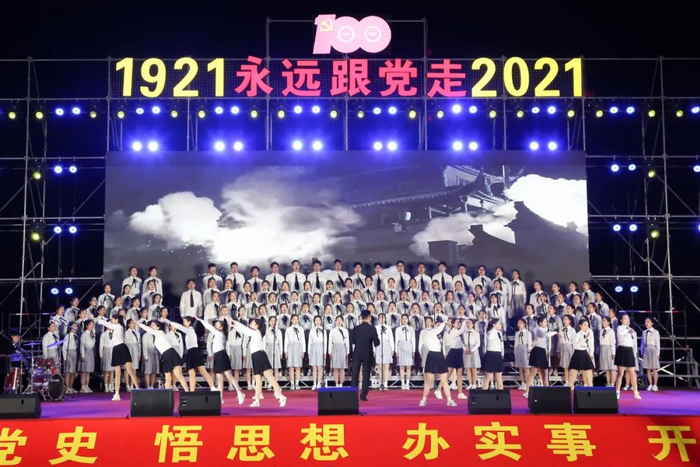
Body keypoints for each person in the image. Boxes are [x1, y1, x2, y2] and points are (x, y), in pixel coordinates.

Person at [231, 318, 287, 407]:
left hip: (260, 355)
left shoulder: (256, 333)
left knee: (268, 375)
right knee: (258, 378)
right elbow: (244, 330)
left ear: (257, 326)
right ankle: (257, 400)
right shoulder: (254, 333)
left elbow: (245, 330)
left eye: (253, 323)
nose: (251, 324)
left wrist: (235, 323)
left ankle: (281, 396)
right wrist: (234, 325)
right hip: (255, 356)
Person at [194, 317, 245, 404]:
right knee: (219, 378)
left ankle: (240, 393)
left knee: (229, 376)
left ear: (221, 327)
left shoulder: (219, 333)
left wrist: (200, 320)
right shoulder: (218, 333)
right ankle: (220, 398)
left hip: (221, 355)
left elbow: (209, 327)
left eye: (217, 325)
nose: (215, 326)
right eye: (215, 325)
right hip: (217, 355)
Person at [97, 315, 140, 401]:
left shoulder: (119, 327)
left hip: (122, 348)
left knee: (130, 370)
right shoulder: (114, 327)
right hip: (116, 349)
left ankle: (138, 390)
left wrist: (101, 320)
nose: (112, 320)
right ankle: (116, 393)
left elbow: (105, 323)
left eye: (113, 319)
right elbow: (107, 323)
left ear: (117, 320)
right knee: (117, 373)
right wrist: (104, 320)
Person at [138, 320, 189, 391]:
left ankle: (187, 391)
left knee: (178, 374)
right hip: (165, 355)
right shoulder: (156, 335)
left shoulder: (160, 332)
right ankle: (168, 394)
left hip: (170, 353)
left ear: (158, 327)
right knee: (168, 377)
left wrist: (138, 323)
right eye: (151, 325)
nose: (151, 326)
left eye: (153, 325)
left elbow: (148, 329)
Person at [418, 317, 456, 407]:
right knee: (429, 381)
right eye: (437, 324)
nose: (438, 326)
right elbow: (439, 329)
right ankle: (423, 400)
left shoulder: (438, 335)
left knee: (444, 380)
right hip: (432, 356)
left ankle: (449, 400)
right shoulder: (429, 332)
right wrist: (444, 322)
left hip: (440, 355)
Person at [523, 315, 557, 398]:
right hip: (537, 351)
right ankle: (527, 391)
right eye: (544, 321)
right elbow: (545, 334)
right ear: (540, 323)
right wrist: (556, 333)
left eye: (546, 321)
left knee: (544, 373)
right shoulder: (538, 330)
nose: (546, 323)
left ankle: (547, 391)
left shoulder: (544, 329)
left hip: (542, 351)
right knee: (533, 372)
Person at [351, 309, 380, 401]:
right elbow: (376, 343)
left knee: (355, 373)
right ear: (369, 318)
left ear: (361, 318)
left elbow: (353, 341)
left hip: (357, 353)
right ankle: (363, 395)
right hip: (368, 353)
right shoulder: (372, 328)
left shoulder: (356, 328)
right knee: (366, 374)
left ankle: (352, 394)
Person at [614, 313, 642, 400]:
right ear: (621, 320)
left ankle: (636, 392)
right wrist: (627, 329)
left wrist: (634, 354)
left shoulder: (633, 331)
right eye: (625, 319)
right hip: (622, 350)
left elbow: (634, 343)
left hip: (629, 351)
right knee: (620, 373)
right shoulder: (620, 328)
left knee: (632, 372)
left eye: (628, 319)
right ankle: (617, 391)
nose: (627, 320)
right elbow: (620, 335)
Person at [443, 318, 467, 399]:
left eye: (459, 322)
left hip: (459, 353)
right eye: (457, 322)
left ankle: (460, 393)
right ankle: (438, 389)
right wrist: (464, 322)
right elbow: (461, 330)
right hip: (453, 353)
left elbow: (461, 343)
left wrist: (465, 349)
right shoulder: (453, 331)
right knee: (448, 373)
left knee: (459, 374)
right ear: (453, 324)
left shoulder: (458, 333)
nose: (459, 323)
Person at [567, 318, 595, 388]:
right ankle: (568, 392)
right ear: (580, 326)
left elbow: (590, 344)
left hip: (585, 354)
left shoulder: (588, 334)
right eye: (585, 325)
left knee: (589, 378)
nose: (587, 327)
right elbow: (575, 345)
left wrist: (591, 353)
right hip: (577, 354)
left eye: (587, 325)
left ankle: (591, 392)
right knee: (573, 378)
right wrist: (585, 339)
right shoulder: (577, 335)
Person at [481, 319, 505, 390]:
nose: (500, 325)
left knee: (499, 376)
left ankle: (501, 393)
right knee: (488, 375)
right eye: (499, 324)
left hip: (498, 354)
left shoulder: (499, 333)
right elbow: (489, 339)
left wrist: (502, 353)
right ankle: (484, 392)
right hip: (491, 354)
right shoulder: (490, 333)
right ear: (494, 325)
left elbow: (501, 344)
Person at [284, 315, 305, 390]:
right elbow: (286, 340)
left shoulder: (301, 329)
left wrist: (303, 351)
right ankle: (292, 384)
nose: (295, 321)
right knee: (291, 367)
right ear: (291, 320)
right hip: (290, 347)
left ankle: (297, 383)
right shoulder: (288, 329)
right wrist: (285, 351)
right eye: (294, 319)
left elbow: (302, 340)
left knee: (298, 366)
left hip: (298, 347)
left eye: (297, 319)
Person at [375, 313, 394, 391]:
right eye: (380, 317)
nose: (382, 319)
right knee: (380, 366)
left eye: (383, 318)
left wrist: (392, 349)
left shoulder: (388, 327)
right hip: (378, 345)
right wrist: (374, 350)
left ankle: (386, 383)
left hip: (386, 345)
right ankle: (381, 382)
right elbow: (374, 339)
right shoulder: (376, 327)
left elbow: (391, 338)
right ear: (378, 319)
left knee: (386, 366)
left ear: (385, 319)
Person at [395, 314, 415, 390]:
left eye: (406, 318)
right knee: (402, 366)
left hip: (409, 346)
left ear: (408, 320)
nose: (404, 320)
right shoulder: (398, 329)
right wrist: (396, 351)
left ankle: (407, 383)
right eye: (403, 319)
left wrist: (413, 350)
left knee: (409, 366)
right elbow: (396, 341)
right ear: (401, 320)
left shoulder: (411, 329)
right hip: (401, 345)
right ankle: (403, 382)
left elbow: (413, 340)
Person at [329, 316, 349, 387]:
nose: (339, 321)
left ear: (342, 322)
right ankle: (336, 383)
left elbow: (347, 342)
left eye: (340, 320)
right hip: (335, 347)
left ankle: (341, 383)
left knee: (342, 367)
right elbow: (330, 342)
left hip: (342, 347)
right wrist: (330, 351)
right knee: (335, 367)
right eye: (337, 320)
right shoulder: (332, 330)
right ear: (335, 321)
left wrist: (347, 351)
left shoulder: (345, 330)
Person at [264, 316, 283, 388]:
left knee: (276, 367)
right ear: (269, 322)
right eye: (271, 321)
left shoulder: (278, 331)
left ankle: (276, 383)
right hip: (268, 347)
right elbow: (264, 341)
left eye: (274, 321)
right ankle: (269, 383)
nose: (273, 322)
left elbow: (280, 342)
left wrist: (281, 352)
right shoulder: (266, 331)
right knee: (269, 367)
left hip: (276, 348)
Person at [642, 318, 661, 392]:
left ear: (652, 323)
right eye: (645, 322)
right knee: (648, 368)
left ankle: (655, 385)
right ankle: (650, 384)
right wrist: (642, 352)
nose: (646, 323)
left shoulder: (656, 332)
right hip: (646, 350)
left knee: (654, 368)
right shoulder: (644, 332)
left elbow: (658, 343)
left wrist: (658, 353)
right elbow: (642, 343)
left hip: (653, 350)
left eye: (648, 322)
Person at [514, 318, 532, 391]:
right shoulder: (517, 333)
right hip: (519, 348)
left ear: (524, 324)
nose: (519, 324)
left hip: (525, 348)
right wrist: (515, 352)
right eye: (518, 323)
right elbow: (516, 343)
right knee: (520, 368)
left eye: (520, 323)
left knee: (526, 367)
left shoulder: (528, 333)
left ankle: (528, 383)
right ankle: (523, 383)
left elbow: (529, 343)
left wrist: (529, 352)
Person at [308, 315, 326, 390]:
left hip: (321, 347)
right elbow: (310, 341)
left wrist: (325, 352)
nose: (318, 322)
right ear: (314, 322)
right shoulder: (312, 330)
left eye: (319, 320)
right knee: (314, 367)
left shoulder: (323, 330)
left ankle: (319, 383)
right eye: (316, 320)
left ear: (321, 322)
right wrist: (309, 352)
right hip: (313, 347)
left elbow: (325, 342)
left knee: (320, 367)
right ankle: (314, 383)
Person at [462, 319, 481, 389]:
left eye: (469, 323)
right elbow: (462, 342)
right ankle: (470, 383)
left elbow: (478, 343)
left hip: (474, 350)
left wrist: (472, 350)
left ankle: (474, 384)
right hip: (466, 350)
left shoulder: (476, 333)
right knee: (468, 368)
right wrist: (465, 349)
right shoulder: (464, 333)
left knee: (474, 367)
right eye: (467, 323)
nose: (468, 324)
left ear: (473, 324)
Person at [124, 319, 141, 392]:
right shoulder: (125, 333)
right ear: (128, 324)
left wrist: (139, 353)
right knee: (127, 368)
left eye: (134, 323)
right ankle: (127, 385)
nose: (133, 325)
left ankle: (132, 384)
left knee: (134, 368)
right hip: (128, 349)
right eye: (132, 323)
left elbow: (139, 344)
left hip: (135, 350)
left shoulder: (137, 333)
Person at [62, 322, 80, 394]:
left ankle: (71, 386)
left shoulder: (76, 336)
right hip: (69, 353)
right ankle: (67, 387)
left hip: (74, 353)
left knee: (72, 372)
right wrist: (65, 358)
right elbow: (64, 347)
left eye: (76, 326)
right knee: (68, 372)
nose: (75, 327)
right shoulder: (67, 336)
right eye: (74, 326)